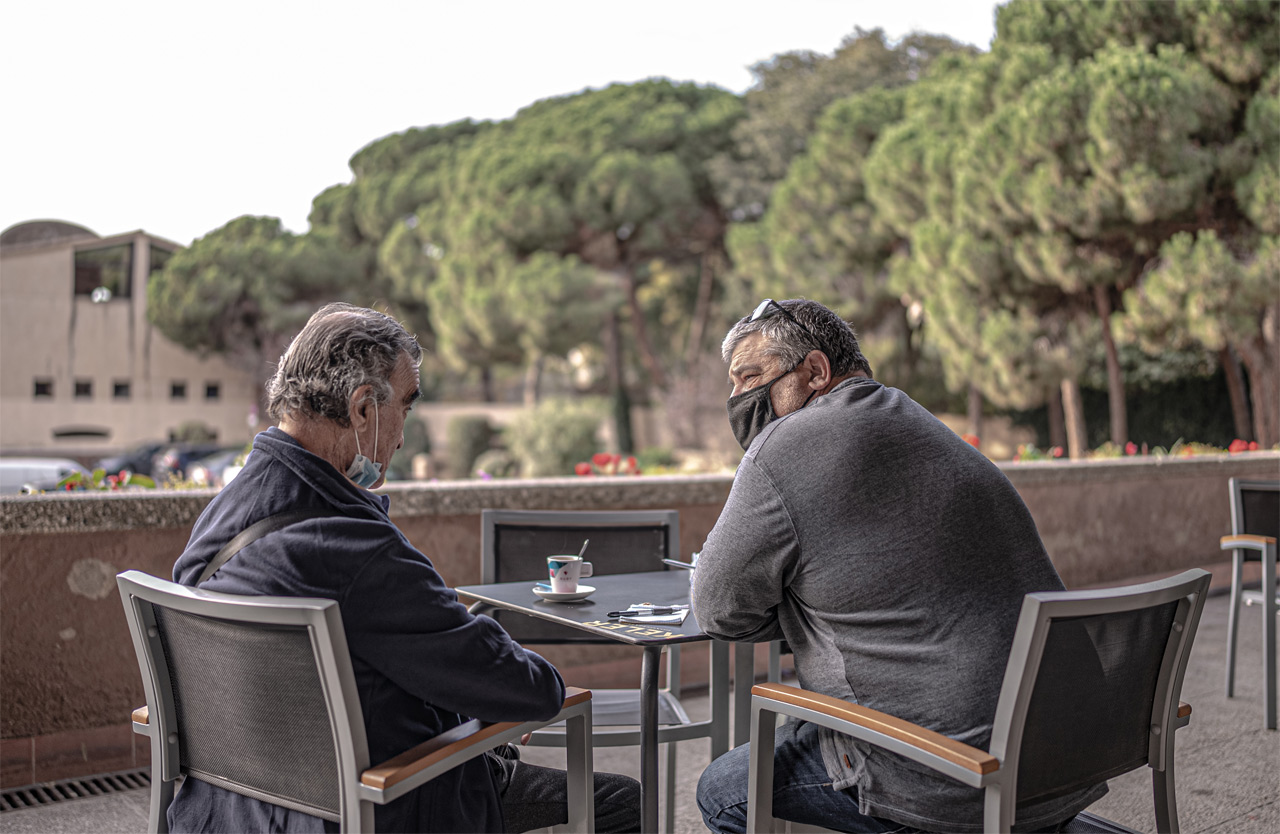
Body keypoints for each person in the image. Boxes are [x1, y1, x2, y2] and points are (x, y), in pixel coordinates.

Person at [171, 303, 639, 833]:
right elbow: (528, 689)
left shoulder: (221, 515)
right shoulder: (353, 546)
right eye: (406, 406)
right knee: (623, 801)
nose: (400, 436)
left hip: (229, 810)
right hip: (378, 802)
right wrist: (527, 681)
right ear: (362, 409)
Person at [691, 298, 1105, 833]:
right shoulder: (919, 422)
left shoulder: (783, 445)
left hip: (950, 774)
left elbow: (717, 609)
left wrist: (804, 618)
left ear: (815, 371)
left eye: (750, 378)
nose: (738, 399)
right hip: (1059, 757)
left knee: (724, 790)